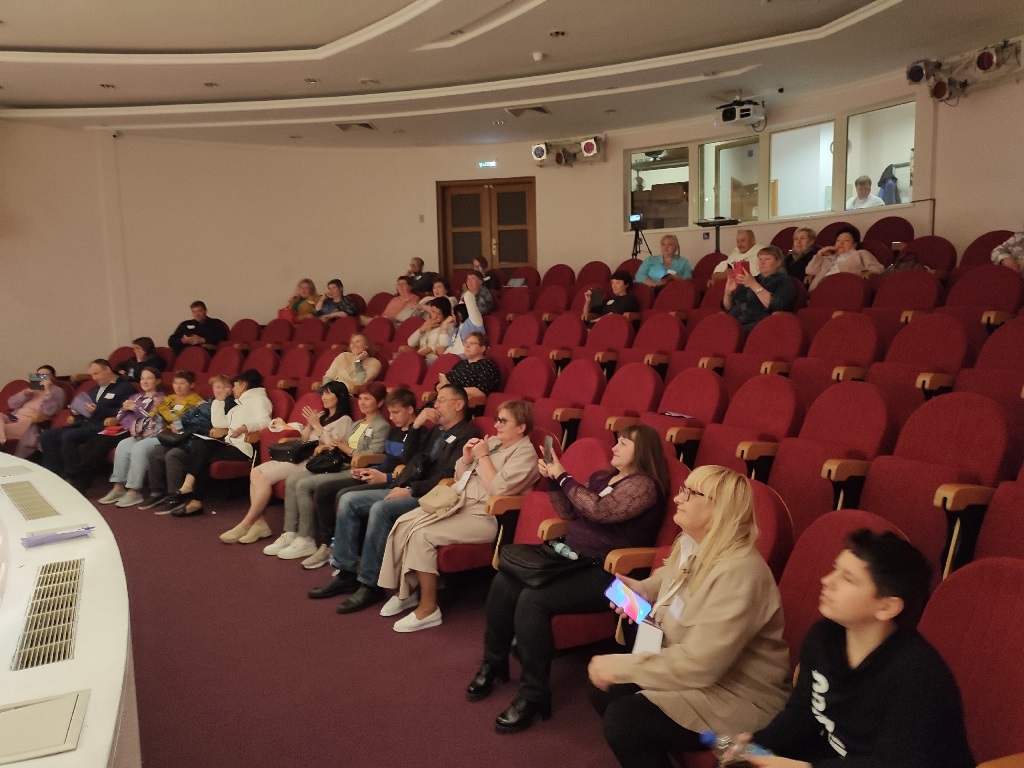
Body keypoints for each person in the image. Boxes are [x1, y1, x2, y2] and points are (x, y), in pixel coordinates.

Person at [468, 424, 669, 733]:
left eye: (624, 443)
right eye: (616, 442)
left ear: (642, 451)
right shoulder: (602, 477)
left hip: (614, 575)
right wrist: (553, 480)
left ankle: (534, 694)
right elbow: (570, 512)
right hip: (571, 558)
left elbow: (600, 511)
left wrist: (563, 475)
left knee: (532, 600)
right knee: (505, 580)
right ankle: (493, 663)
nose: (615, 447)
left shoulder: (645, 485)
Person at [588, 465, 791, 768]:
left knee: (625, 721)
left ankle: (721, 744)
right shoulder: (690, 542)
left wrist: (621, 666)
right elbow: (671, 576)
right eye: (683, 489)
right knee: (605, 692)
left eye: (691, 493)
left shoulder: (740, 572)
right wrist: (644, 589)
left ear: (720, 509)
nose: (677, 498)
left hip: (737, 695)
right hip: (695, 672)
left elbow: (701, 665)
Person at [746, 529, 974, 768]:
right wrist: (754, 745)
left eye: (848, 579)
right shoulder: (823, 636)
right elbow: (802, 714)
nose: (827, 580)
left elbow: (894, 763)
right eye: (835, 569)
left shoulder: (919, 677)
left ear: (886, 607)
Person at [306, 384, 478, 614]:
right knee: (348, 501)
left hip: (432, 496)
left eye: (441, 400)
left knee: (381, 509)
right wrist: (416, 426)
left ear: (459, 405)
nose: (435, 405)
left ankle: (370, 584)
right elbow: (409, 459)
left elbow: (449, 475)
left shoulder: (467, 434)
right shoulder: (437, 430)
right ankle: (346, 573)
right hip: (409, 485)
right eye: (436, 400)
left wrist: (411, 489)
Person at [378, 400, 540, 633]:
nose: (497, 425)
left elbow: (498, 490)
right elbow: (460, 475)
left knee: (422, 534)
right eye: (497, 419)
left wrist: (482, 457)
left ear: (521, 427)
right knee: (405, 522)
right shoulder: (495, 443)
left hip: (487, 515)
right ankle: (407, 592)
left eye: (504, 421)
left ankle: (429, 609)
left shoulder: (526, 454)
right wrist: (465, 458)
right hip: (459, 501)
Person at [218, 380, 354, 552]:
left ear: (339, 397)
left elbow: (333, 446)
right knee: (256, 472)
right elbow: (305, 439)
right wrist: (309, 424)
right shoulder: (321, 415)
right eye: (323, 393)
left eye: (328, 393)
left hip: (316, 462)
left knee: (262, 475)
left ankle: (247, 523)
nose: (323, 397)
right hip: (303, 456)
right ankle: (259, 523)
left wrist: (317, 425)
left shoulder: (345, 420)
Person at [306, 387, 418, 567]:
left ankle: (347, 551)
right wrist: (371, 470)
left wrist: (384, 475)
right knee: (324, 490)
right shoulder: (393, 430)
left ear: (410, 410)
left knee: (345, 495)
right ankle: (329, 543)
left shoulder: (414, 433)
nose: (392, 417)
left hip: (393, 480)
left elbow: (408, 465)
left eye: (396, 412)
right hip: (374, 471)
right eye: (390, 412)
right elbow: (387, 459)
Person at [163, 369, 272, 517]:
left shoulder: (258, 399)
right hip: (230, 442)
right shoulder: (239, 401)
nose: (233, 388)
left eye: (235, 385)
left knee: (204, 456)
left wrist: (246, 427)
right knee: (201, 444)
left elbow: (266, 421)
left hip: (244, 446)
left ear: (243, 386)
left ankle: (195, 500)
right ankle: (188, 487)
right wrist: (219, 401)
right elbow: (219, 423)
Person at [99, 369, 203, 508]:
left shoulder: (196, 402)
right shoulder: (168, 399)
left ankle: (134, 490)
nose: (178, 386)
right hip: (153, 431)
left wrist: (161, 410)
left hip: (170, 435)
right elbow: (151, 416)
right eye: (175, 383)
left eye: (182, 383)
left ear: (192, 385)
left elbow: (179, 420)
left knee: (140, 448)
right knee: (123, 444)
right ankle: (118, 487)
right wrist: (157, 409)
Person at [68, 367, 166, 492]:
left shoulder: (160, 399)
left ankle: (77, 479)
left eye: (149, 378)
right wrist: (125, 410)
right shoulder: (135, 396)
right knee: (94, 441)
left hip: (139, 431)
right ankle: (80, 479)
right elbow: (119, 415)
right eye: (142, 378)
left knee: (101, 445)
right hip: (122, 428)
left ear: (158, 381)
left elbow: (152, 419)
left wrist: (135, 409)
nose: (145, 381)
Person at [147, 374, 236, 512]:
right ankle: (156, 492)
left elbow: (213, 428)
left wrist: (190, 428)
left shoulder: (230, 405)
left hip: (199, 441)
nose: (217, 390)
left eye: (221, 387)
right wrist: (179, 423)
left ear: (230, 389)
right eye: (216, 387)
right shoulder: (207, 403)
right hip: (184, 437)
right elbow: (187, 416)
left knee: (173, 455)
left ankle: (175, 496)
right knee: (155, 452)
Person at [38, 359, 136, 481]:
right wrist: (76, 412)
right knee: (47, 435)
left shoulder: (124, 387)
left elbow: (125, 411)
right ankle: (54, 473)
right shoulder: (95, 388)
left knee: (69, 436)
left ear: (107, 369)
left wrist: (98, 410)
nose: (94, 378)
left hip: (101, 425)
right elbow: (85, 404)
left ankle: (73, 476)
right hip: (85, 423)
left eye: (96, 373)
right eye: (92, 375)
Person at [722, 245, 796, 332]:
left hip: (759, 325)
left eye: (767, 259)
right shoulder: (753, 279)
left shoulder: (784, 280)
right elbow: (728, 307)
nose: (762, 262)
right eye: (760, 259)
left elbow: (778, 306)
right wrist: (728, 292)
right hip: (735, 321)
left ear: (778, 262)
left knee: (726, 333)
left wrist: (754, 285)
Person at [0, 365, 67, 459]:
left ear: (53, 377)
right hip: (14, 417)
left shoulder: (58, 391)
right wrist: (26, 393)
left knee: (4, 429)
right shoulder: (33, 389)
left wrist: (47, 391)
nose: (42, 378)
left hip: (28, 423)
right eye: (39, 375)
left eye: (45, 375)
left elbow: (48, 411)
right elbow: (11, 404)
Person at [805, 225, 885, 291]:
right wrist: (819, 253)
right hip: (818, 290)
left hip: (844, 289)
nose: (841, 243)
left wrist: (865, 272)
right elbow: (810, 271)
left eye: (846, 240)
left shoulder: (860, 254)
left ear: (854, 244)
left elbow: (878, 269)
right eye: (838, 240)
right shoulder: (828, 259)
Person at [439, 331, 501, 401]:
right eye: (466, 343)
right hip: (445, 399)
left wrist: (452, 390)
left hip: (463, 402)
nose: (467, 346)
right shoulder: (461, 363)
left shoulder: (487, 366)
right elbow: (446, 380)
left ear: (482, 348)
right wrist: (440, 386)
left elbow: (481, 392)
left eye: (472, 343)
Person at [408, 297, 452, 363]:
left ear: (445, 315)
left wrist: (431, 349)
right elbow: (410, 343)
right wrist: (422, 329)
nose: (434, 316)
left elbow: (444, 346)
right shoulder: (428, 323)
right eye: (433, 312)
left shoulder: (449, 326)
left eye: (438, 314)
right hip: (420, 357)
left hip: (434, 360)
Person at [443, 291, 486, 358]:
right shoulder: (456, 328)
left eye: (454, 314)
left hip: (462, 358)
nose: (452, 317)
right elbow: (447, 345)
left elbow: (468, 296)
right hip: (449, 356)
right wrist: (444, 324)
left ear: (460, 312)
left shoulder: (474, 321)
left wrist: (469, 290)